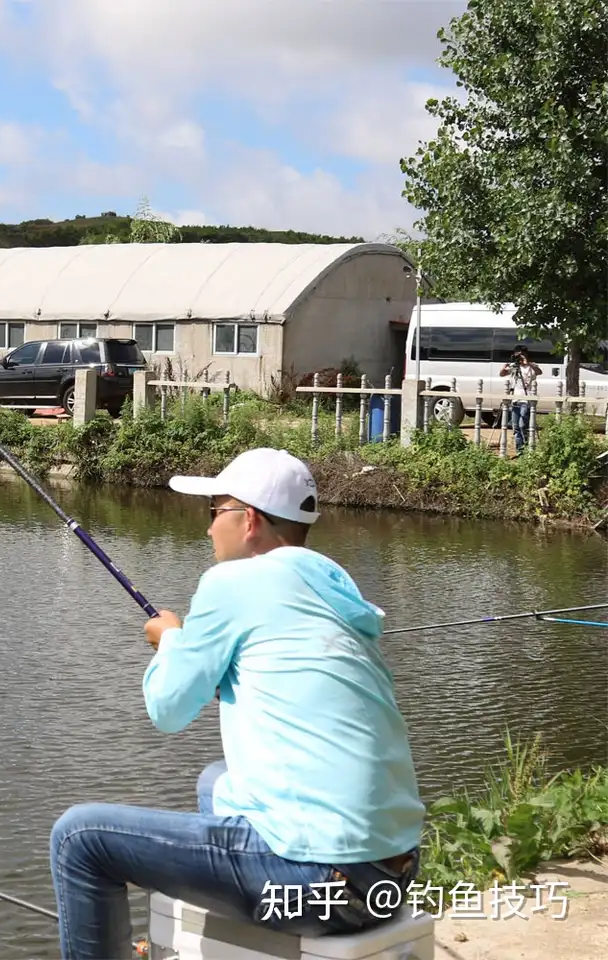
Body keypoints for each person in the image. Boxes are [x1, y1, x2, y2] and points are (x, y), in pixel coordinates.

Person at [49, 448, 424, 960]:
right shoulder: (333, 590)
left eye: (214, 512)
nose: (207, 530)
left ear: (248, 520)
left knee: (79, 838)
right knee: (214, 781)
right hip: (390, 879)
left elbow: (169, 708)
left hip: (317, 887)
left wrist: (172, 640)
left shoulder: (234, 582)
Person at [498, 345, 541, 454]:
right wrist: (504, 368)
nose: (519, 358)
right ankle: (520, 451)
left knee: (522, 425)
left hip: (526, 399)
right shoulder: (514, 366)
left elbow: (539, 372)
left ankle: (527, 446)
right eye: (516, 355)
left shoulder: (531, 366)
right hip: (515, 399)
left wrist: (528, 362)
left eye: (520, 355)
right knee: (516, 426)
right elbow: (502, 374)